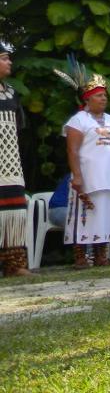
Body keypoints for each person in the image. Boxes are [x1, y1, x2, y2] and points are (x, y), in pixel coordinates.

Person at [56, 62, 110, 268]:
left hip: (108, 176)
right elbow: (72, 150)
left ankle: (101, 256)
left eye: (105, 95)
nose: (104, 98)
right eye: (99, 95)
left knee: (104, 216)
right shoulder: (78, 120)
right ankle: (80, 258)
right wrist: (77, 175)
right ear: (87, 99)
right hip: (88, 176)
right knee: (83, 215)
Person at [0, 40, 31, 276]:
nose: (9, 62)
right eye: (4, 58)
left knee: (14, 211)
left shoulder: (11, 92)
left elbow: (19, 129)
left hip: (10, 162)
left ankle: (15, 263)